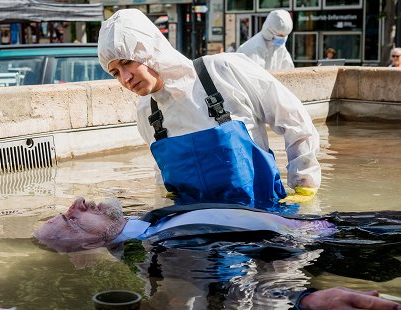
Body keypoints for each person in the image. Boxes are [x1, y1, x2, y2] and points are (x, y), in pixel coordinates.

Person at [97, 9, 320, 207]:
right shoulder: (147, 112)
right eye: (115, 72)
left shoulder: (223, 70)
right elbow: (163, 174)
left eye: (127, 62)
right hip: (199, 234)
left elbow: (293, 118)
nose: (125, 78)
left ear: (149, 49)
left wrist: (304, 184)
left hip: (262, 219)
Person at [33, 196, 401, 310]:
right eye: (71, 217)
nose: (77, 202)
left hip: (344, 224)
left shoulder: (151, 223)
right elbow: (228, 296)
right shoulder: (157, 254)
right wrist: (303, 303)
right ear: (85, 246)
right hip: (360, 242)